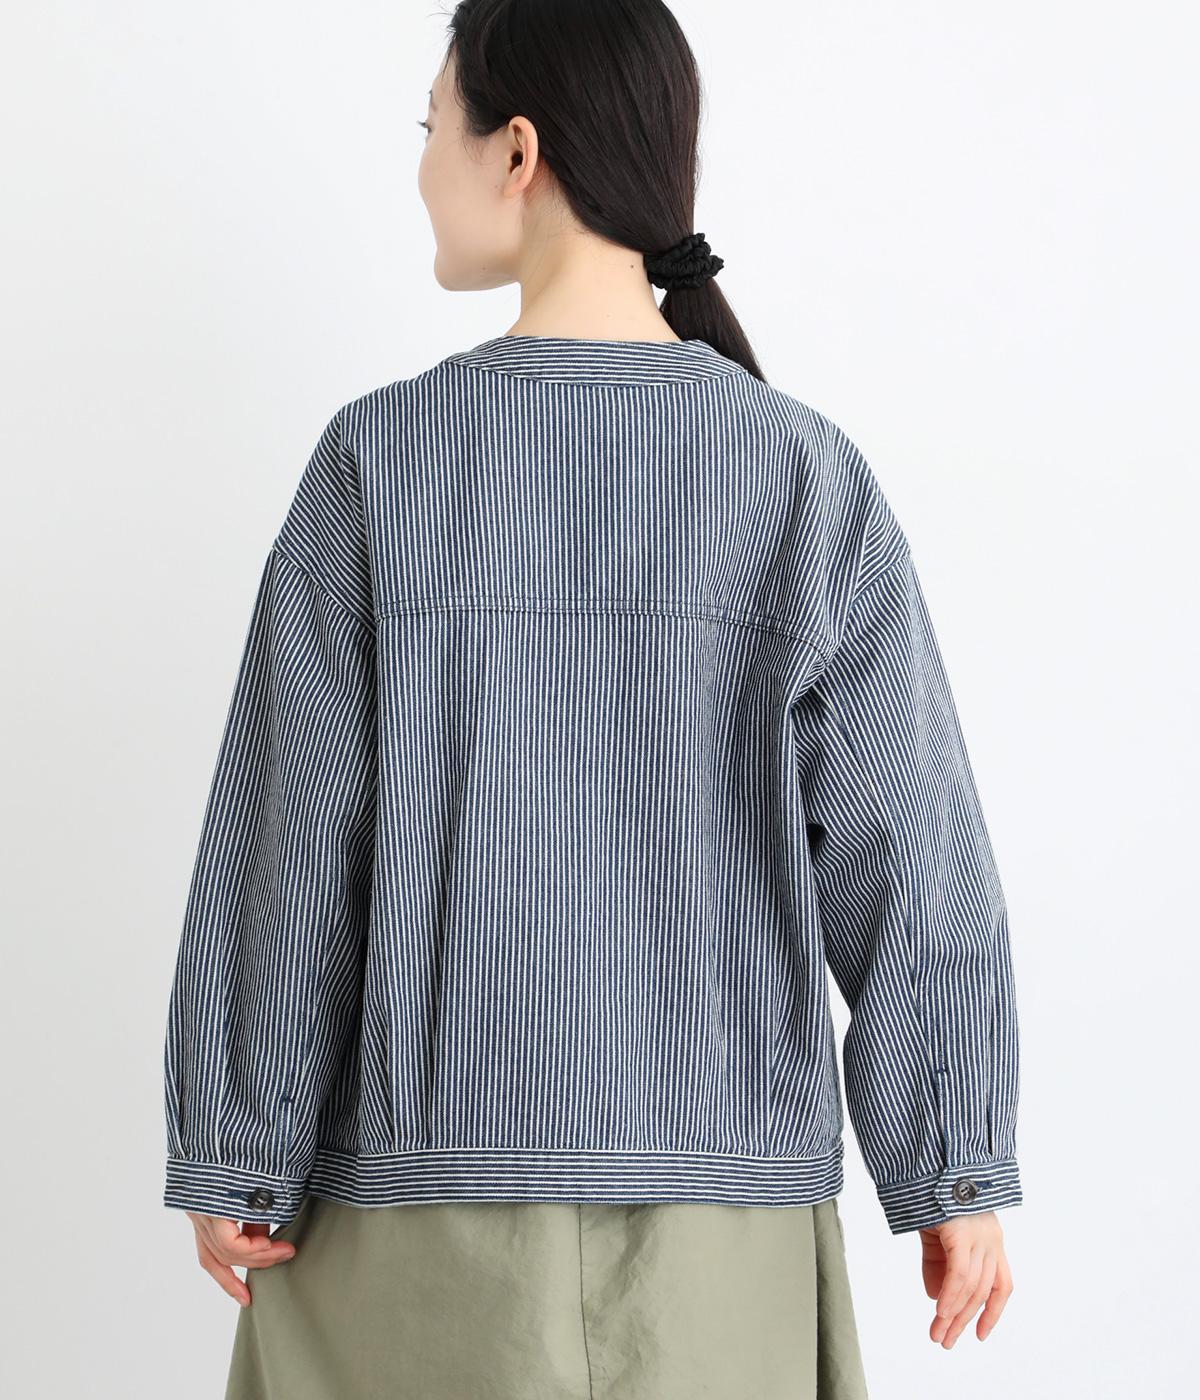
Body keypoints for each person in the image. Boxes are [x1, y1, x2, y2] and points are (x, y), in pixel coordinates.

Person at [162, 2, 1023, 1396]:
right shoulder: (795, 469)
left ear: (517, 152)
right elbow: (906, 844)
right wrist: (953, 1165)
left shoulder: (380, 462)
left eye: (429, 127)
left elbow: (291, 837)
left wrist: (238, 1142)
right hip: (722, 1217)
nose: (419, 164)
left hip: (419, 1220)